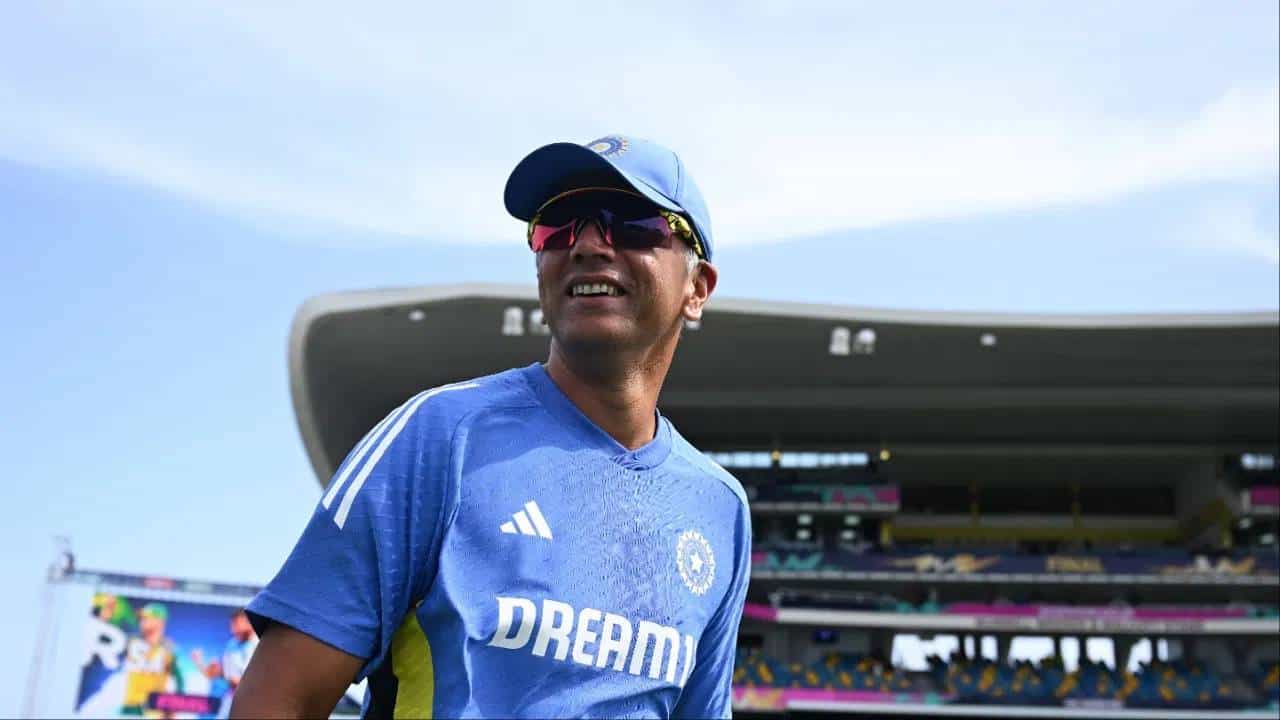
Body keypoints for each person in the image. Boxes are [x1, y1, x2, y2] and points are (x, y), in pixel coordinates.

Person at [232, 134, 751, 719]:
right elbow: (279, 699)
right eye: (557, 226)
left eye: (631, 223)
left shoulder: (720, 509)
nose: (586, 244)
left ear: (697, 288)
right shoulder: (437, 436)